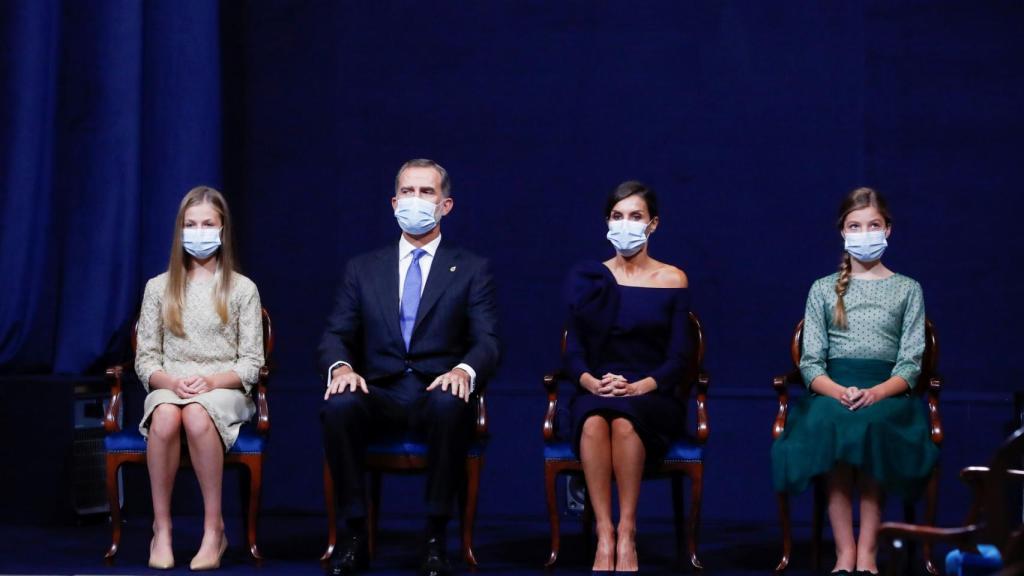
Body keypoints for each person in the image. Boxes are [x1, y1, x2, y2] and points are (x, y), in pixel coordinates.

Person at [319, 159, 500, 576]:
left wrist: (463, 372)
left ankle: (435, 537)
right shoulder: (363, 268)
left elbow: (488, 339)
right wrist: (342, 367)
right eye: (408, 192)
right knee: (339, 406)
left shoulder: (471, 268)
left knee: (450, 405)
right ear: (393, 202)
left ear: (446, 205)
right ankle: (353, 535)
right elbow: (335, 333)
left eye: (427, 192)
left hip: (436, 388)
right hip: (378, 389)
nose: (415, 201)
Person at [771, 187, 939, 576]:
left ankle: (868, 554)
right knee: (833, 425)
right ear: (843, 232)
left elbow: (912, 361)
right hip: (833, 390)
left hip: (887, 392)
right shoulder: (822, 288)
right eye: (855, 225)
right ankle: (844, 553)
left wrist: (877, 392)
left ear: (888, 230)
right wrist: (838, 390)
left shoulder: (908, 289)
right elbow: (811, 362)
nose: (865, 233)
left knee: (870, 428)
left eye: (873, 225)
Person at [563, 181, 690, 574]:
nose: (626, 224)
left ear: (653, 224)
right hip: (598, 386)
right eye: (618, 217)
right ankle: (604, 533)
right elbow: (574, 350)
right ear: (607, 223)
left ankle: (627, 531)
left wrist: (641, 386)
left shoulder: (672, 279)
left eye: (635, 216)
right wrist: (590, 381)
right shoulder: (592, 277)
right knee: (595, 418)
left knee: (623, 421)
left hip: (652, 392)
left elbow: (679, 356)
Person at [135, 186, 264, 571]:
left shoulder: (242, 289)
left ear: (222, 229)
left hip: (223, 388)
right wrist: (170, 383)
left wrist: (210, 383)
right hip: (170, 386)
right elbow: (145, 359)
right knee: (165, 416)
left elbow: (251, 363)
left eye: (207, 223)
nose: (199, 231)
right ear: (180, 231)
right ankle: (163, 528)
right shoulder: (158, 288)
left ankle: (214, 528)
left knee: (195, 414)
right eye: (191, 224)